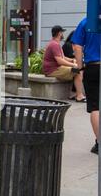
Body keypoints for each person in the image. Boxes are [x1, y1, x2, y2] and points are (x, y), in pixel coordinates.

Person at [72, 17, 101, 155]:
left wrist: (80, 67)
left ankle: (99, 143)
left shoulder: (86, 22)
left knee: (95, 107)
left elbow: (77, 46)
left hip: (93, 67)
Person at [43, 25, 86, 102]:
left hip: (54, 69)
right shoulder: (54, 45)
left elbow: (62, 57)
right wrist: (73, 65)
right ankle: (79, 96)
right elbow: (60, 61)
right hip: (53, 70)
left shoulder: (54, 43)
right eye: (62, 32)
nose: (63, 34)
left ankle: (75, 94)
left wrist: (72, 60)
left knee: (76, 70)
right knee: (77, 71)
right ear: (59, 33)